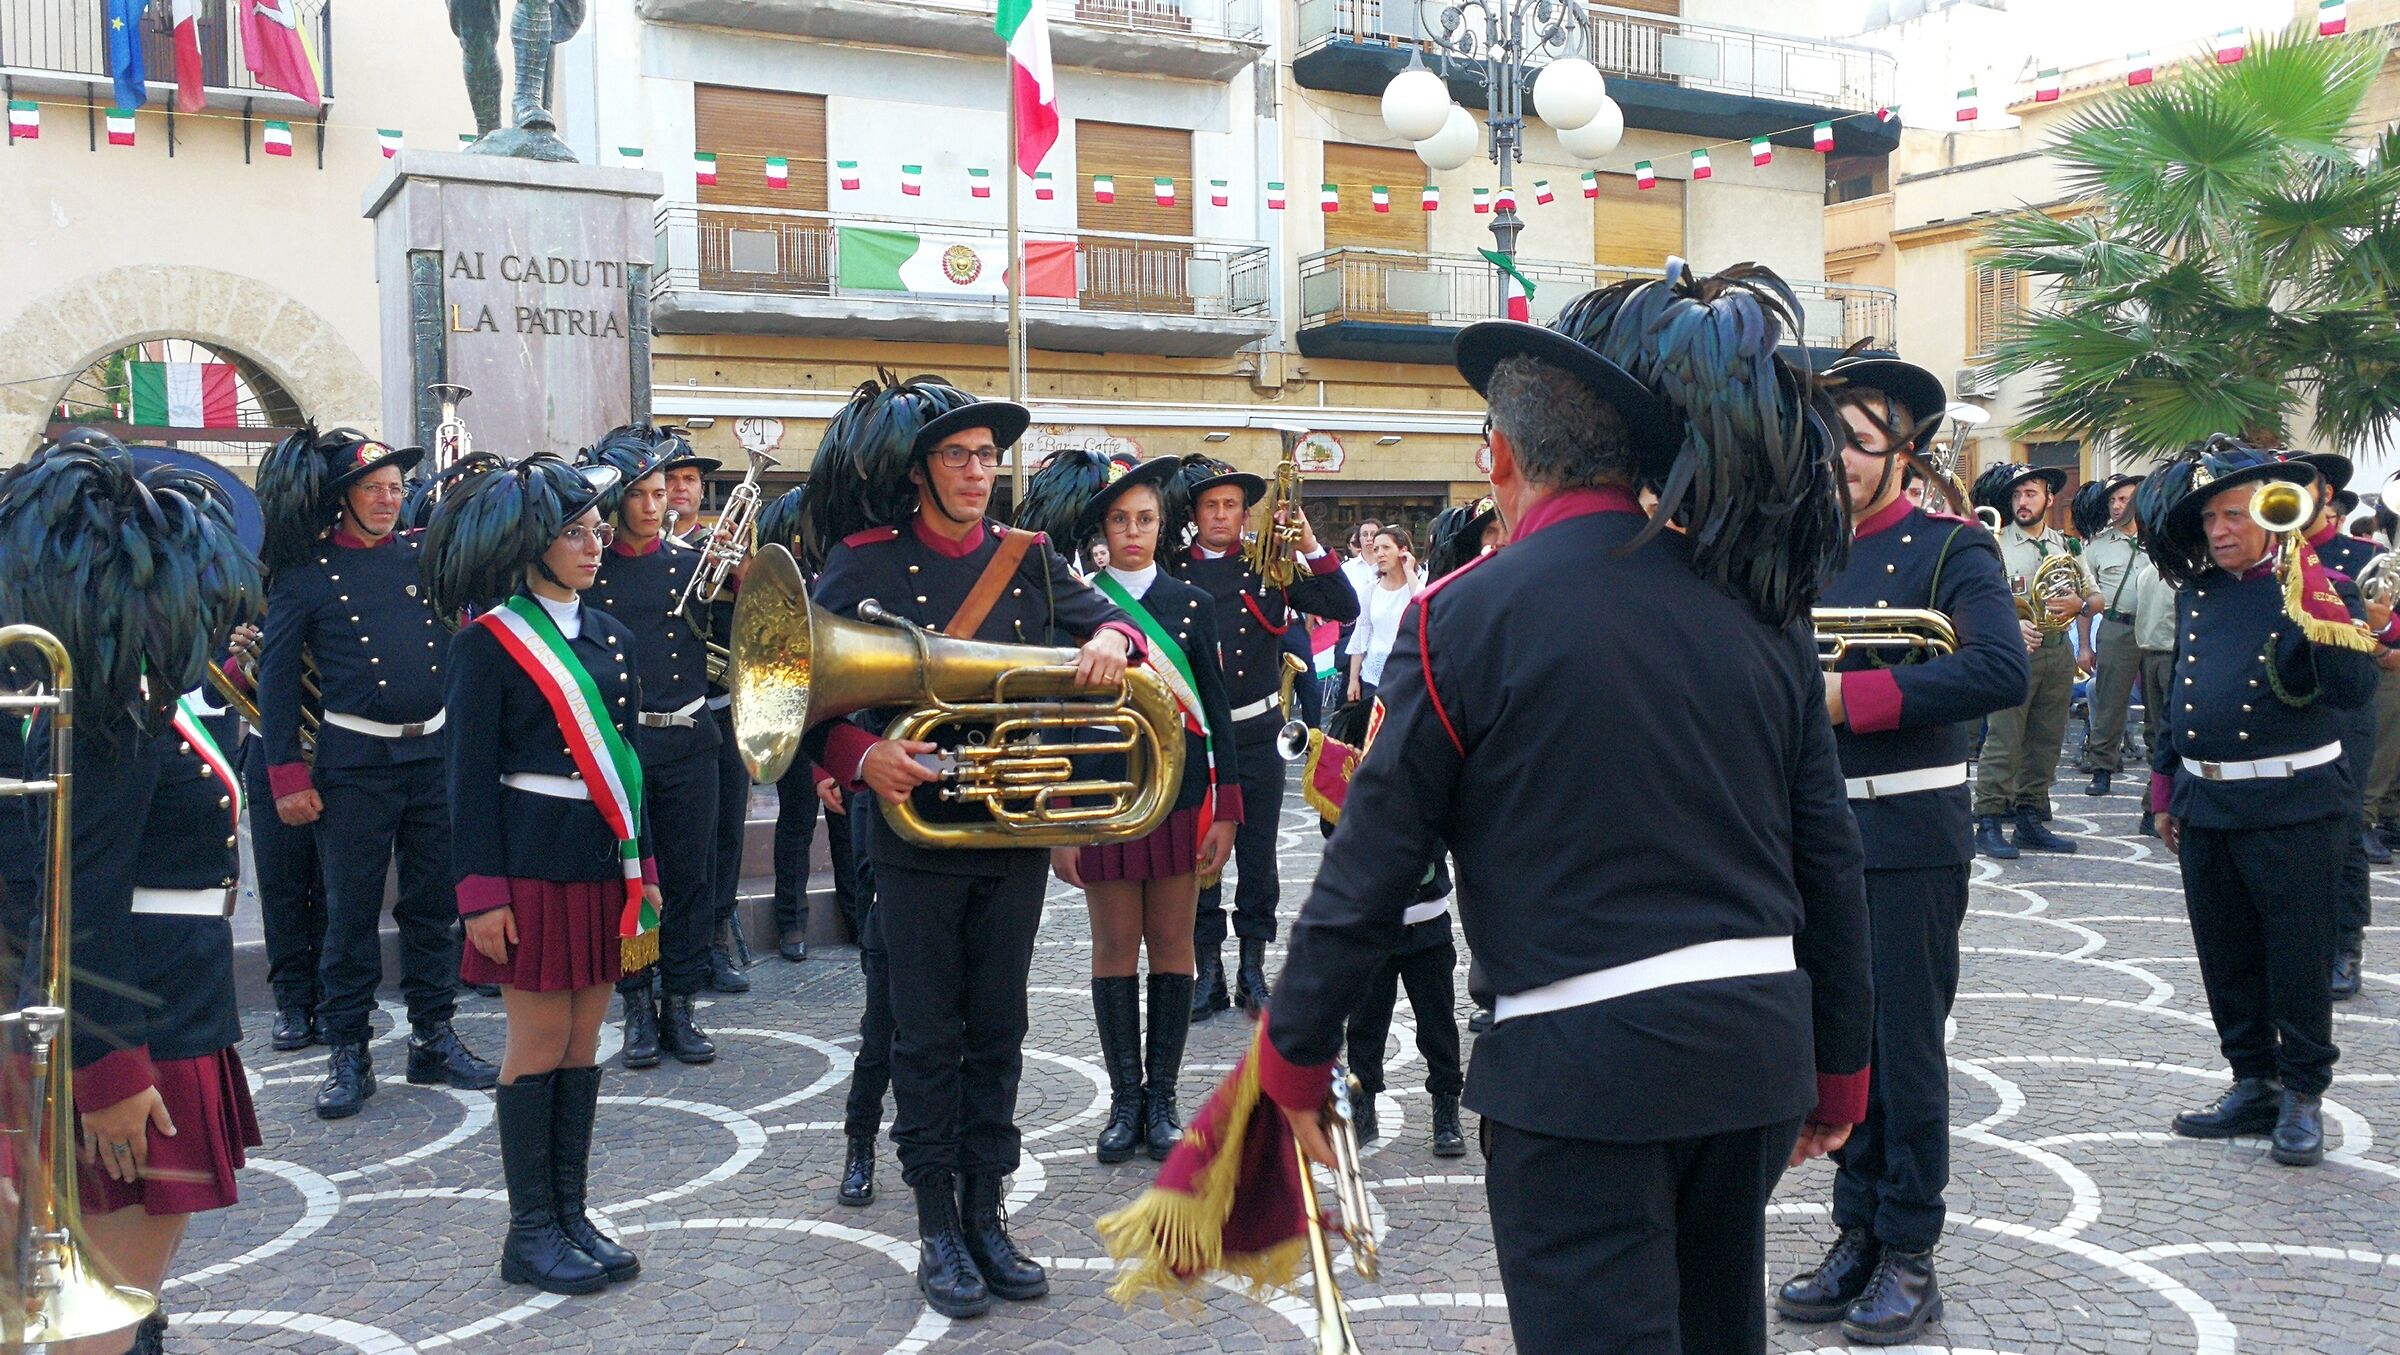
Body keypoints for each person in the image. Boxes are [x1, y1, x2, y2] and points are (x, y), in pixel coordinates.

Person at [1262, 265, 1873, 1355]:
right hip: (1753, 1052)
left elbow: (1373, 862)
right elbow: (1828, 855)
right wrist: (1842, 1067)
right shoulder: (1758, 604)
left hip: (1579, 1071)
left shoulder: (1462, 616)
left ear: (1501, 457)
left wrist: (1294, 1058)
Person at [799, 376, 1146, 1320]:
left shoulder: (1030, 557)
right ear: (921, 470)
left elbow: (1116, 623)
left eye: (988, 457)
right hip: (915, 834)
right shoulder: (865, 560)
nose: (976, 471)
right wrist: (861, 754)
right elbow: (800, 695)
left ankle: (986, 1212)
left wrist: (1116, 638)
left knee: (999, 1028)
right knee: (924, 1034)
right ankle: (936, 1226)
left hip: (1011, 830)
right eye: (957, 455)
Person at [1778, 357, 2028, 1344]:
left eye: (1859, 437)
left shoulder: (1952, 546)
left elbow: (1999, 667)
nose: (1838, 455)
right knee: (1841, 1039)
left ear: (1905, 450)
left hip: (1910, 831)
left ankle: (1910, 1249)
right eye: (1828, 436)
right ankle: (1858, 1227)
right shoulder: (1799, 548)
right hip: (1814, 832)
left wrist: (1854, 697)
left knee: (1906, 1048)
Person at [0, 437, 265, 1355]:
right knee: (102, 1321)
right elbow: (74, 891)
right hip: (135, 1019)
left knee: (123, 1307)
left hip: (159, 1001)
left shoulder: (119, 689)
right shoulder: (109, 708)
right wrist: (109, 1070)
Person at [426, 453, 655, 1295]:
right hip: (526, 865)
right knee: (539, 1038)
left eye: (598, 530)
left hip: (600, 859)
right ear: (533, 546)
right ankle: (529, 1232)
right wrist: (480, 892)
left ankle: (569, 1212)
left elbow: (629, 764)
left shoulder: (613, 638)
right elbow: (465, 777)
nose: (595, 546)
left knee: (586, 1037)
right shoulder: (487, 643)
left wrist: (645, 867)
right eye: (575, 533)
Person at [2141, 442, 2377, 1167]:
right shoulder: (2199, 593)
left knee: (2297, 958)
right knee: (2227, 957)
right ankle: (2253, 1081)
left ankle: (2303, 1092)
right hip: (2208, 801)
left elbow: (2352, 691)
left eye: (2234, 515)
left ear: (2275, 516)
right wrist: (2165, 786)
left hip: (2292, 804)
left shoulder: (2322, 586)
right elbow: (2180, 699)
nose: (2219, 530)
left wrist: (2321, 601)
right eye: (2210, 518)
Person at [256, 427, 496, 1121]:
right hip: (354, 764)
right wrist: (285, 774)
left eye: (395, 488)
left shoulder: (426, 555)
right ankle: (349, 1051)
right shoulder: (307, 573)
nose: (389, 499)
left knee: (432, 907)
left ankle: (433, 1035)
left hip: (432, 756)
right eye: (373, 488)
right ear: (344, 498)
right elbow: (277, 680)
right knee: (351, 913)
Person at [1019, 451, 1243, 1165]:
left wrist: (1228, 810)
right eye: (1120, 520)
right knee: (1115, 946)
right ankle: (1124, 1101)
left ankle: (1163, 1099)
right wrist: (1059, 819)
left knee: (1173, 943)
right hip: (1104, 799)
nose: (1134, 532)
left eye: (1145, 518)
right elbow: (1056, 718)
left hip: (1178, 798)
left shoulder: (1193, 603)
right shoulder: (1080, 604)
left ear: (1161, 523)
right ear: (1102, 530)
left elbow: (1217, 714)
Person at [1167, 457, 1359, 1019]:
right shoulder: (1173, 570)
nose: (1220, 515)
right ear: (1195, 514)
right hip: (1199, 736)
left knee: (1258, 856)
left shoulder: (1268, 568)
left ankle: (1252, 970)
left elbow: (1343, 606)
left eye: (1230, 505)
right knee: (1201, 856)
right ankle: (1208, 973)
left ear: (1245, 514)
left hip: (1258, 733)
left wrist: (1310, 543)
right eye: (1210, 506)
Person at [579, 427, 723, 1069]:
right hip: (623, 745)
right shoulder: (593, 572)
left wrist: (742, 570)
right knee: (632, 879)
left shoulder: (693, 567)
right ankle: (637, 1004)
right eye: (638, 494)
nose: (651, 505)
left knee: (690, 878)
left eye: (660, 493)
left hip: (690, 739)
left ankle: (681, 1002)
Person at [2288, 451, 2389, 997]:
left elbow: (2393, 625)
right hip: (2284, 713)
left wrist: (2380, 626)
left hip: (2344, 711)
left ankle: (2345, 944)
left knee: (2344, 829)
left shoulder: (2363, 555)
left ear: (2325, 494)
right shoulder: (2269, 554)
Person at [1969, 462, 2099, 858]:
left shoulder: (2067, 546)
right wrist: (2011, 623)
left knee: (2046, 740)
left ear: (2049, 498)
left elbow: (2096, 599)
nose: (2022, 502)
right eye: (2016, 495)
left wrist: (2080, 604)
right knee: (2004, 738)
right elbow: (1976, 600)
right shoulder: (1994, 543)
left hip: (2058, 652)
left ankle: (2029, 818)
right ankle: (1989, 819)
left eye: (2030, 494)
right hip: (2015, 652)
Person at [216, 619, 331, 1052]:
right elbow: (213, 689)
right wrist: (240, 658)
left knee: (332, 884)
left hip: (339, 748)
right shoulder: (247, 607)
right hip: (270, 754)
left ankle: (332, 995)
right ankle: (292, 1001)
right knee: (282, 884)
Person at [2073, 473, 2147, 797]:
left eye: (2123, 499)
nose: (2117, 506)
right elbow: (2085, 602)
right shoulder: (2097, 547)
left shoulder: (2159, 539)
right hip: (2117, 628)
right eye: (2112, 500)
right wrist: (2084, 646)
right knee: (2108, 704)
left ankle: (2160, 782)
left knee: (2160, 705)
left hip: (2157, 628)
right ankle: (2102, 769)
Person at [1345, 526, 1424, 709]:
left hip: (1409, 674)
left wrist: (1409, 571)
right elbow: (1361, 636)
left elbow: (1423, 606)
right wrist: (1353, 679)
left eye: (1386, 548)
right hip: (1373, 677)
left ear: (1403, 550)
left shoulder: (1419, 583)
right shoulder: (1370, 591)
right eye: (1376, 549)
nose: (1380, 554)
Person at [2129, 548, 2177, 838]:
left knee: (2155, 733)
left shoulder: (2146, 573)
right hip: (2171, 658)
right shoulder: (2182, 576)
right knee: (2170, 735)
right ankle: (2155, 805)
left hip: (2148, 657)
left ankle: (2154, 806)